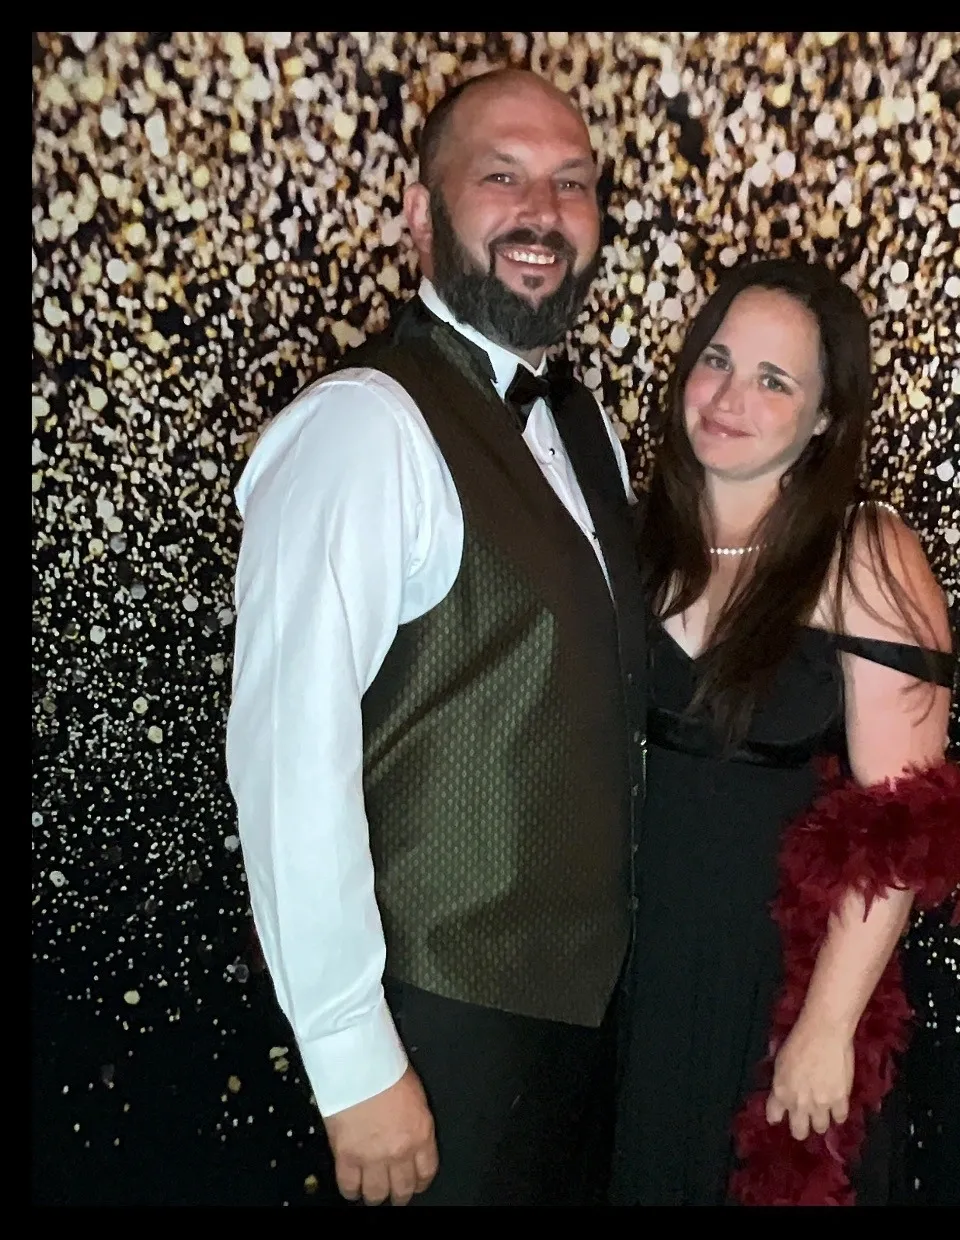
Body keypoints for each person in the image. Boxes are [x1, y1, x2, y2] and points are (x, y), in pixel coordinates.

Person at [226, 69, 647, 1208]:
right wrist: (351, 1053)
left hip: (589, 1021)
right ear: (420, 213)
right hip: (436, 1023)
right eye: (500, 175)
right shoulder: (361, 426)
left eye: (572, 183)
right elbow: (285, 755)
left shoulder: (584, 424)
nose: (542, 210)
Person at [609, 258, 960, 1206]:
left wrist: (827, 1026)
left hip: (772, 987)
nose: (727, 396)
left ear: (824, 418)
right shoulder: (640, 541)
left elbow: (907, 822)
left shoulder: (863, 550)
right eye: (716, 360)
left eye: (773, 380)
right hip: (635, 975)